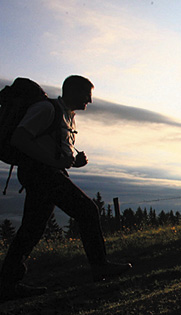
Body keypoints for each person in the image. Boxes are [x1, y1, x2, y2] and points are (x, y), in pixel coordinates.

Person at [0, 75, 131, 302]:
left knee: (32, 228)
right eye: (86, 96)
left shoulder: (65, 115)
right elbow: (20, 138)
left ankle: (7, 284)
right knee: (87, 210)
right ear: (72, 91)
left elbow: (51, 147)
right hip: (42, 174)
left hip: (44, 173)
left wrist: (73, 161)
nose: (88, 102)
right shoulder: (46, 109)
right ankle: (99, 266)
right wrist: (55, 163)